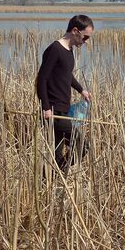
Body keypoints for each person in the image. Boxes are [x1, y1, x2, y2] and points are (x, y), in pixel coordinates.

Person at [36, 14, 94, 173]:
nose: (86, 41)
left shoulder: (68, 50)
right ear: (75, 31)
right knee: (83, 146)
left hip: (64, 110)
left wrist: (81, 89)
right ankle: (54, 177)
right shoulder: (54, 49)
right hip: (53, 112)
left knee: (56, 154)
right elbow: (41, 80)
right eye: (85, 37)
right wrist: (46, 108)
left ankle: (48, 182)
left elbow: (66, 74)